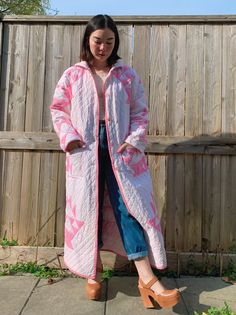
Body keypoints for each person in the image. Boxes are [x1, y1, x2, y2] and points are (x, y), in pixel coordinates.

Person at [50, 14, 180, 309]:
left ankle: (146, 279)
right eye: (98, 41)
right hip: (84, 149)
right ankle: (92, 272)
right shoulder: (72, 75)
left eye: (110, 41)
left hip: (121, 150)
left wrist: (133, 141)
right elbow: (59, 109)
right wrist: (70, 138)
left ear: (115, 43)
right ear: (87, 40)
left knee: (128, 208)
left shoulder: (126, 75)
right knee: (88, 208)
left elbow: (140, 112)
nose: (103, 47)